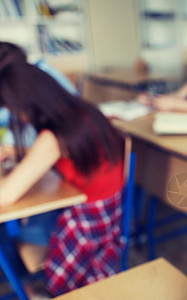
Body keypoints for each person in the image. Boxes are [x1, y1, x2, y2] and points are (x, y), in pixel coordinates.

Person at [0, 42, 125, 296]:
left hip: (89, 221)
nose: (20, 118)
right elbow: (51, 153)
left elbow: (5, 196)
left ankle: (26, 287)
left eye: (16, 112)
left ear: (29, 107)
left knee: (8, 231)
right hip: (109, 212)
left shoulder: (52, 137)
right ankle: (26, 283)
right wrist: (14, 152)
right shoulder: (79, 111)